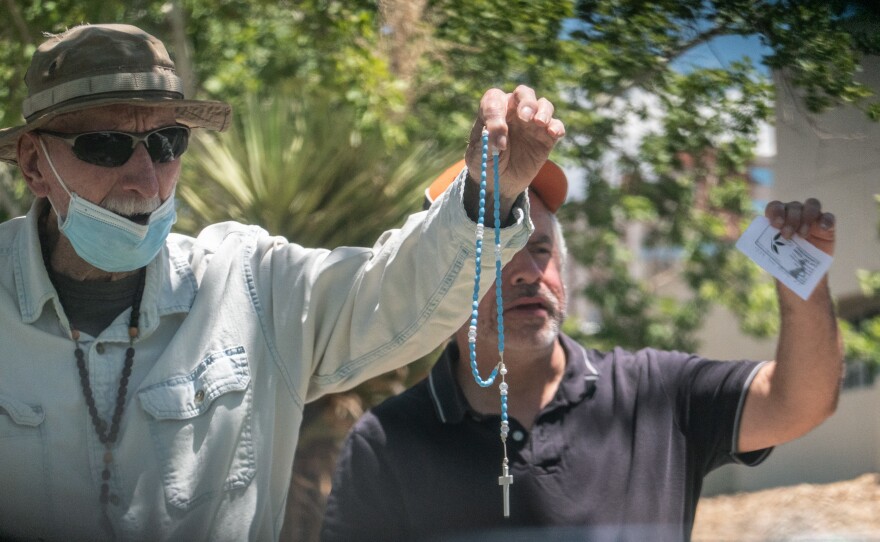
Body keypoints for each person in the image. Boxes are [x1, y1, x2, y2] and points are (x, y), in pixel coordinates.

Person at [0, 23, 565, 541]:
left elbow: (396, 295)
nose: (146, 179)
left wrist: (489, 192)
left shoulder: (249, 282)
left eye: (168, 142)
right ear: (33, 164)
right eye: (107, 144)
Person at [320, 161, 843, 542]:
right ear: (442, 281)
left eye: (541, 249)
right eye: (498, 253)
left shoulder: (655, 395)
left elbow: (799, 402)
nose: (528, 271)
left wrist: (803, 286)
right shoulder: (386, 445)